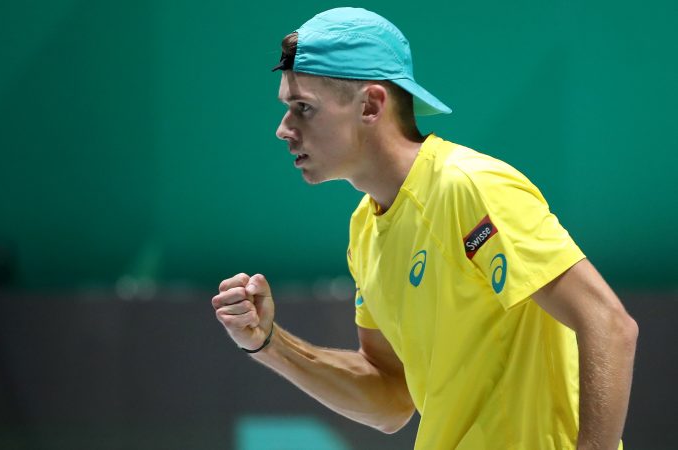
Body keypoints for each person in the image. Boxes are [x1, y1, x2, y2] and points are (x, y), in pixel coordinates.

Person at [212, 7, 638, 450]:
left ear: (371, 105)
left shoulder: (470, 187)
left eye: (303, 108)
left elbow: (608, 324)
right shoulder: (364, 228)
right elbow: (391, 399)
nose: (284, 129)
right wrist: (269, 344)